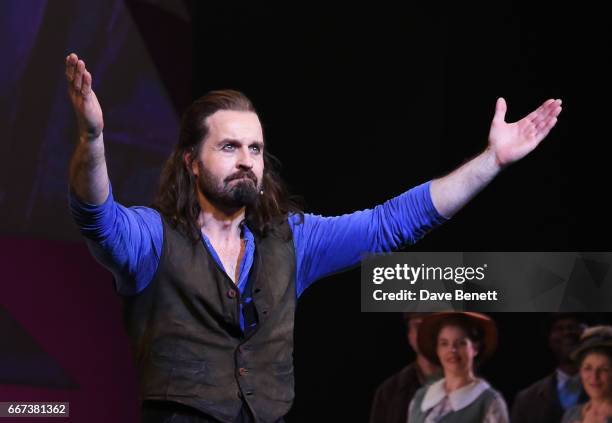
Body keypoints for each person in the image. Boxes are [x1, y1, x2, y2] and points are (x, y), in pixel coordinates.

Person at [64, 51, 562, 423]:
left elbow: (392, 223)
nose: (247, 160)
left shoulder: (292, 241)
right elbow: (97, 216)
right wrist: (92, 140)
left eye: (255, 149)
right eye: (230, 146)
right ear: (192, 161)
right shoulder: (153, 238)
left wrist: (491, 161)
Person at [407, 312, 509, 423]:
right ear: (437, 349)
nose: (452, 350)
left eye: (461, 343)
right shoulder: (421, 397)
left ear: (475, 348)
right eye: (444, 343)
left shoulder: (488, 402)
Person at [512, 314, 588, 423]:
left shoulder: (608, 390)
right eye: (559, 328)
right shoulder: (527, 399)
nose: (567, 333)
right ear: (550, 339)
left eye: (572, 327)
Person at [369, 313, 442, 423]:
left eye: (433, 326)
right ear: (409, 336)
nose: (426, 333)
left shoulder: (470, 384)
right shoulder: (390, 391)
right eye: (418, 326)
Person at [561, 326, 612, 423]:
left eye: (604, 369)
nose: (594, 377)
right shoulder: (571, 414)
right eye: (588, 368)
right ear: (580, 371)